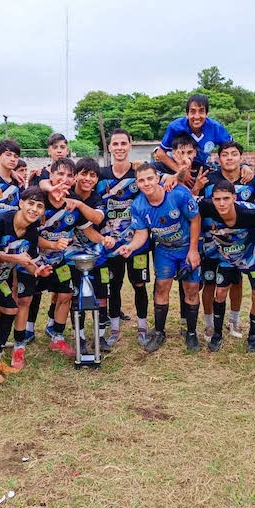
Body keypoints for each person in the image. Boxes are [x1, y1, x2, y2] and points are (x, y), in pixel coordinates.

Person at [29, 158, 111, 357]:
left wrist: (104, 239)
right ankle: (22, 338)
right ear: (51, 174)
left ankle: (57, 334)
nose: (64, 179)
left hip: (61, 258)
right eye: (60, 174)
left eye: (68, 175)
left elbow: (88, 228)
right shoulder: (39, 196)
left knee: (67, 293)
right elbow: (29, 233)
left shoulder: (74, 200)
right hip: (32, 259)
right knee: (25, 299)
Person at [117, 163, 201, 352]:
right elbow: (141, 234)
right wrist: (130, 247)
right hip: (165, 249)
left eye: (149, 178)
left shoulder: (178, 194)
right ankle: (159, 332)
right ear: (137, 184)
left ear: (157, 178)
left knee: (192, 288)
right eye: (141, 180)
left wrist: (194, 250)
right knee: (161, 287)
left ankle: (191, 332)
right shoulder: (138, 205)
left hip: (187, 246)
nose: (146, 183)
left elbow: (195, 219)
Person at [195, 141, 255, 339]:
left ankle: (234, 321)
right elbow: (194, 204)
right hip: (211, 241)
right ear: (219, 158)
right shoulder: (209, 178)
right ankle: (209, 324)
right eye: (225, 154)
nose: (229, 158)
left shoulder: (252, 180)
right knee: (209, 283)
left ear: (241, 158)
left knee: (235, 281)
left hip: (241, 244)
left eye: (234, 154)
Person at [97, 129, 152, 348]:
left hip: (137, 242)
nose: (119, 147)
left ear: (130, 146)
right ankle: (115, 328)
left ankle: (142, 327)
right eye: (115, 144)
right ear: (109, 147)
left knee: (139, 284)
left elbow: (162, 177)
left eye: (123, 143)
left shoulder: (139, 172)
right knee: (114, 285)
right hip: (110, 243)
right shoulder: (101, 175)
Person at [199, 181, 255, 353]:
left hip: (254, 256)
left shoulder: (252, 212)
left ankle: (253, 337)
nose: (221, 203)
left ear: (234, 198)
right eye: (217, 199)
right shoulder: (207, 206)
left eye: (226, 199)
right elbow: (184, 199)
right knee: (220, 293)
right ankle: (217, 334)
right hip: (228, 257)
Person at [0, 188, 53, 371]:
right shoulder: (0, 221)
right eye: (31, 203)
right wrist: (14, 259)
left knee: (10, 308)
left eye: (39, 206)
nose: (34, 209)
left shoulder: (32, 232)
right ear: (21, 203)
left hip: (0, 279)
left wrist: (38, 270)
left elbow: (28, 260)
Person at [154, 93, 233, 172]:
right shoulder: (175, 127)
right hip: (176, 166)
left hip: (201, 167)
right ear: (187, 114)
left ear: (207, 114)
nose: (197, 116)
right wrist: (180, 171)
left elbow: (232, 149)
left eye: (201, 111)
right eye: (193, 111)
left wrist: (244, 166)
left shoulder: (216, 128)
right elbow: (160, 153)